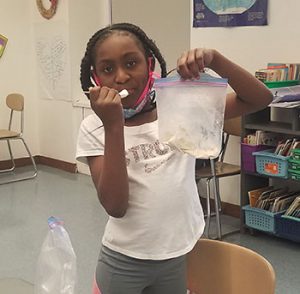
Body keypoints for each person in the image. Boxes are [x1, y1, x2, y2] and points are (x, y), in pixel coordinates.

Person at [76, 22, 273, 294]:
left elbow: (261, 98)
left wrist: (216, 60)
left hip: (179, 252)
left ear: (149, 65)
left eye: (131, 63)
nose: (121, 77)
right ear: (96, 78)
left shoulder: (183, 106)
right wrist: (113, 126)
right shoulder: (94, 127)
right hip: (124, 259)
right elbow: (115, 206)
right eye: (108, 69)